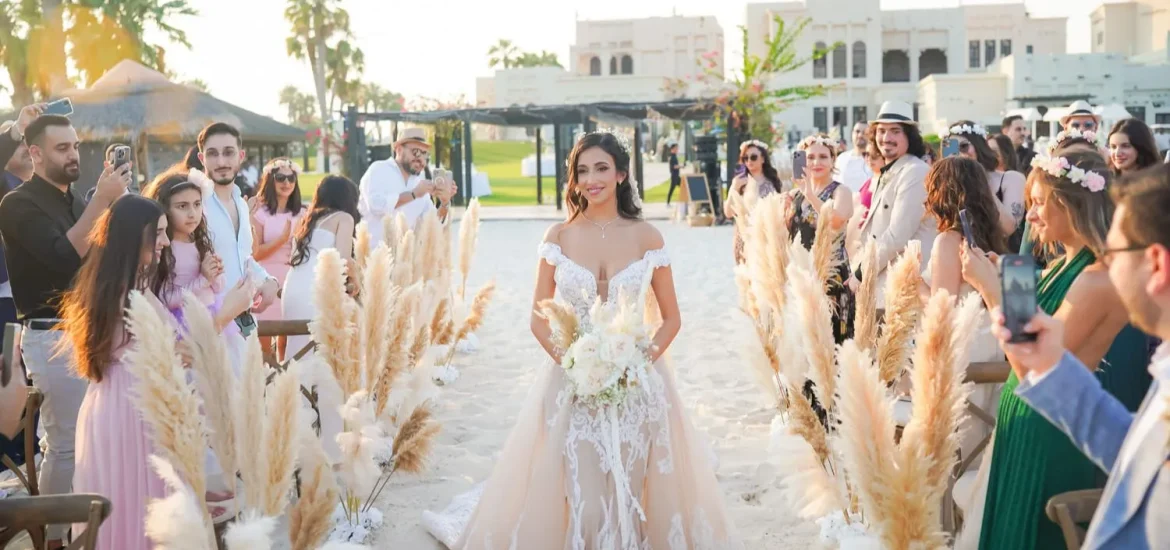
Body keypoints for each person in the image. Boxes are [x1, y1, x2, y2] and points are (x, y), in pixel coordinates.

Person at [422, 131, 741, 549]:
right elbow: (538, 319)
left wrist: (635, 362)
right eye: (582, 170)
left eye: (602, 168)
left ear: (622, 174)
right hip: (571, 382)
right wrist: (575, 365)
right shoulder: (559, 237)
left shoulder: (647, 236)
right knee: (585, 496)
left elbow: (671, 319)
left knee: (633, 486)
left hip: (638, 382)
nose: (592, 179)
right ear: (573, 180)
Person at [958, 149, 1152, 549]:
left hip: (1049, 432)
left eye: (1039, 203)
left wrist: (992, 288)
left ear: (1071, 205)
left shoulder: (1096, 281)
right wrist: (1006, 273)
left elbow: (1032, 362)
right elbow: (1031, 317)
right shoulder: (1065, 264)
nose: (1030, 216)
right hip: (1022, 418)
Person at [0, 109, 132, 549]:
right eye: (62, 148)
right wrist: (101, 202)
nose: (74, 154)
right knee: (64, 443)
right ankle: (55, 540)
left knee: (96, 437)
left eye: (75, 145)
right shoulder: (17, 204)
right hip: (51, 334)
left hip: (92, 329)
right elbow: (63, 257)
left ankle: (89, 530)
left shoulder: (76, 200)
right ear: (34, 153)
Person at [282, 175, 359, 463]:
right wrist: (358, 281)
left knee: (298, 359)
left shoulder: (307, 219)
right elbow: (342, 260)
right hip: (319, 289)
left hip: (293, 290)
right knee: (330, 365)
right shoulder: (343, 218)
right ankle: (332, 448)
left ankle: (298, 441)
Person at [195, 122, 280, 333]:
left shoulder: (241, 203)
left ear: (241, 156)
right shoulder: (194, 204)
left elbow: (242, 257)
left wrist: (268, 280)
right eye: (213, 154)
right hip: (208, 324)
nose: (221, 161)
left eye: (228, 153)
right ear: (201, 158)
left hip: (243, 325)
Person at [855, 100, 936, 309]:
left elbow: (897, 235)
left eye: (895, 131)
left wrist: (861, 272)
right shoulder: (890, 170)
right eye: (881, 131)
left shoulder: (915, 172)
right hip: (884, 287)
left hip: (905, 289)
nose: (886, 138)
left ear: (909, 136)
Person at [786, 133, 855, 343]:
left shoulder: (840, 191)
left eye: (823, 156)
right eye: (810, 157)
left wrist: (810, 195)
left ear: (833, 159)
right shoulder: (794, 195)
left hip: (833, 274)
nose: (816, 162)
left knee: (836, 342)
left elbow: (835, 221)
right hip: (804, 274)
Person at [358, 127, 456, 246]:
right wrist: (413, 194)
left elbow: (431, 224)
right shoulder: (379, 169)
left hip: (405, 260)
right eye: (415, 152)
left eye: (424, 154)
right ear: (399, 149)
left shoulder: (419, 183)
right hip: (374, 258)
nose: (420, 158)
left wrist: (444, 203)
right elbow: (376, 205)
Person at [248, 158, 305, 360]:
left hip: (294, 278)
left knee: (288, 341)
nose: (286, 183)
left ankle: (285, 385)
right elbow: (255, 253)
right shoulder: (259, 213)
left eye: (291, 178)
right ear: (270, 179)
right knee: (264, 341)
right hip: (266, 279)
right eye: (280, 177)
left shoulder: (303, 213)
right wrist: (282, 239)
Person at [944, 121, 1026, 241]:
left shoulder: (1012, 179)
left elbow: (1008, 228)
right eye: (952, 148)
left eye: (964, 146)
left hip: (1001, 256)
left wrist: (977, 178)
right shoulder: (949, 186)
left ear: (978, 146)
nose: (959, 154)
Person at [724, 139, 784, 264]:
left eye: (753, 157)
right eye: (745, 158)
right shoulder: (740, 182)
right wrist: (733, 188)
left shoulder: (772, 181)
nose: (749, 161)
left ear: (763, 158)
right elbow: (728, 213)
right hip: (745, 237)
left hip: (768, 236)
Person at [835, 121, 872, 193]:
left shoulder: (876, 160)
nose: (860, 135)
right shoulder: (842, 158)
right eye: (857, 131)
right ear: (852, 134)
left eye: (865, 132)